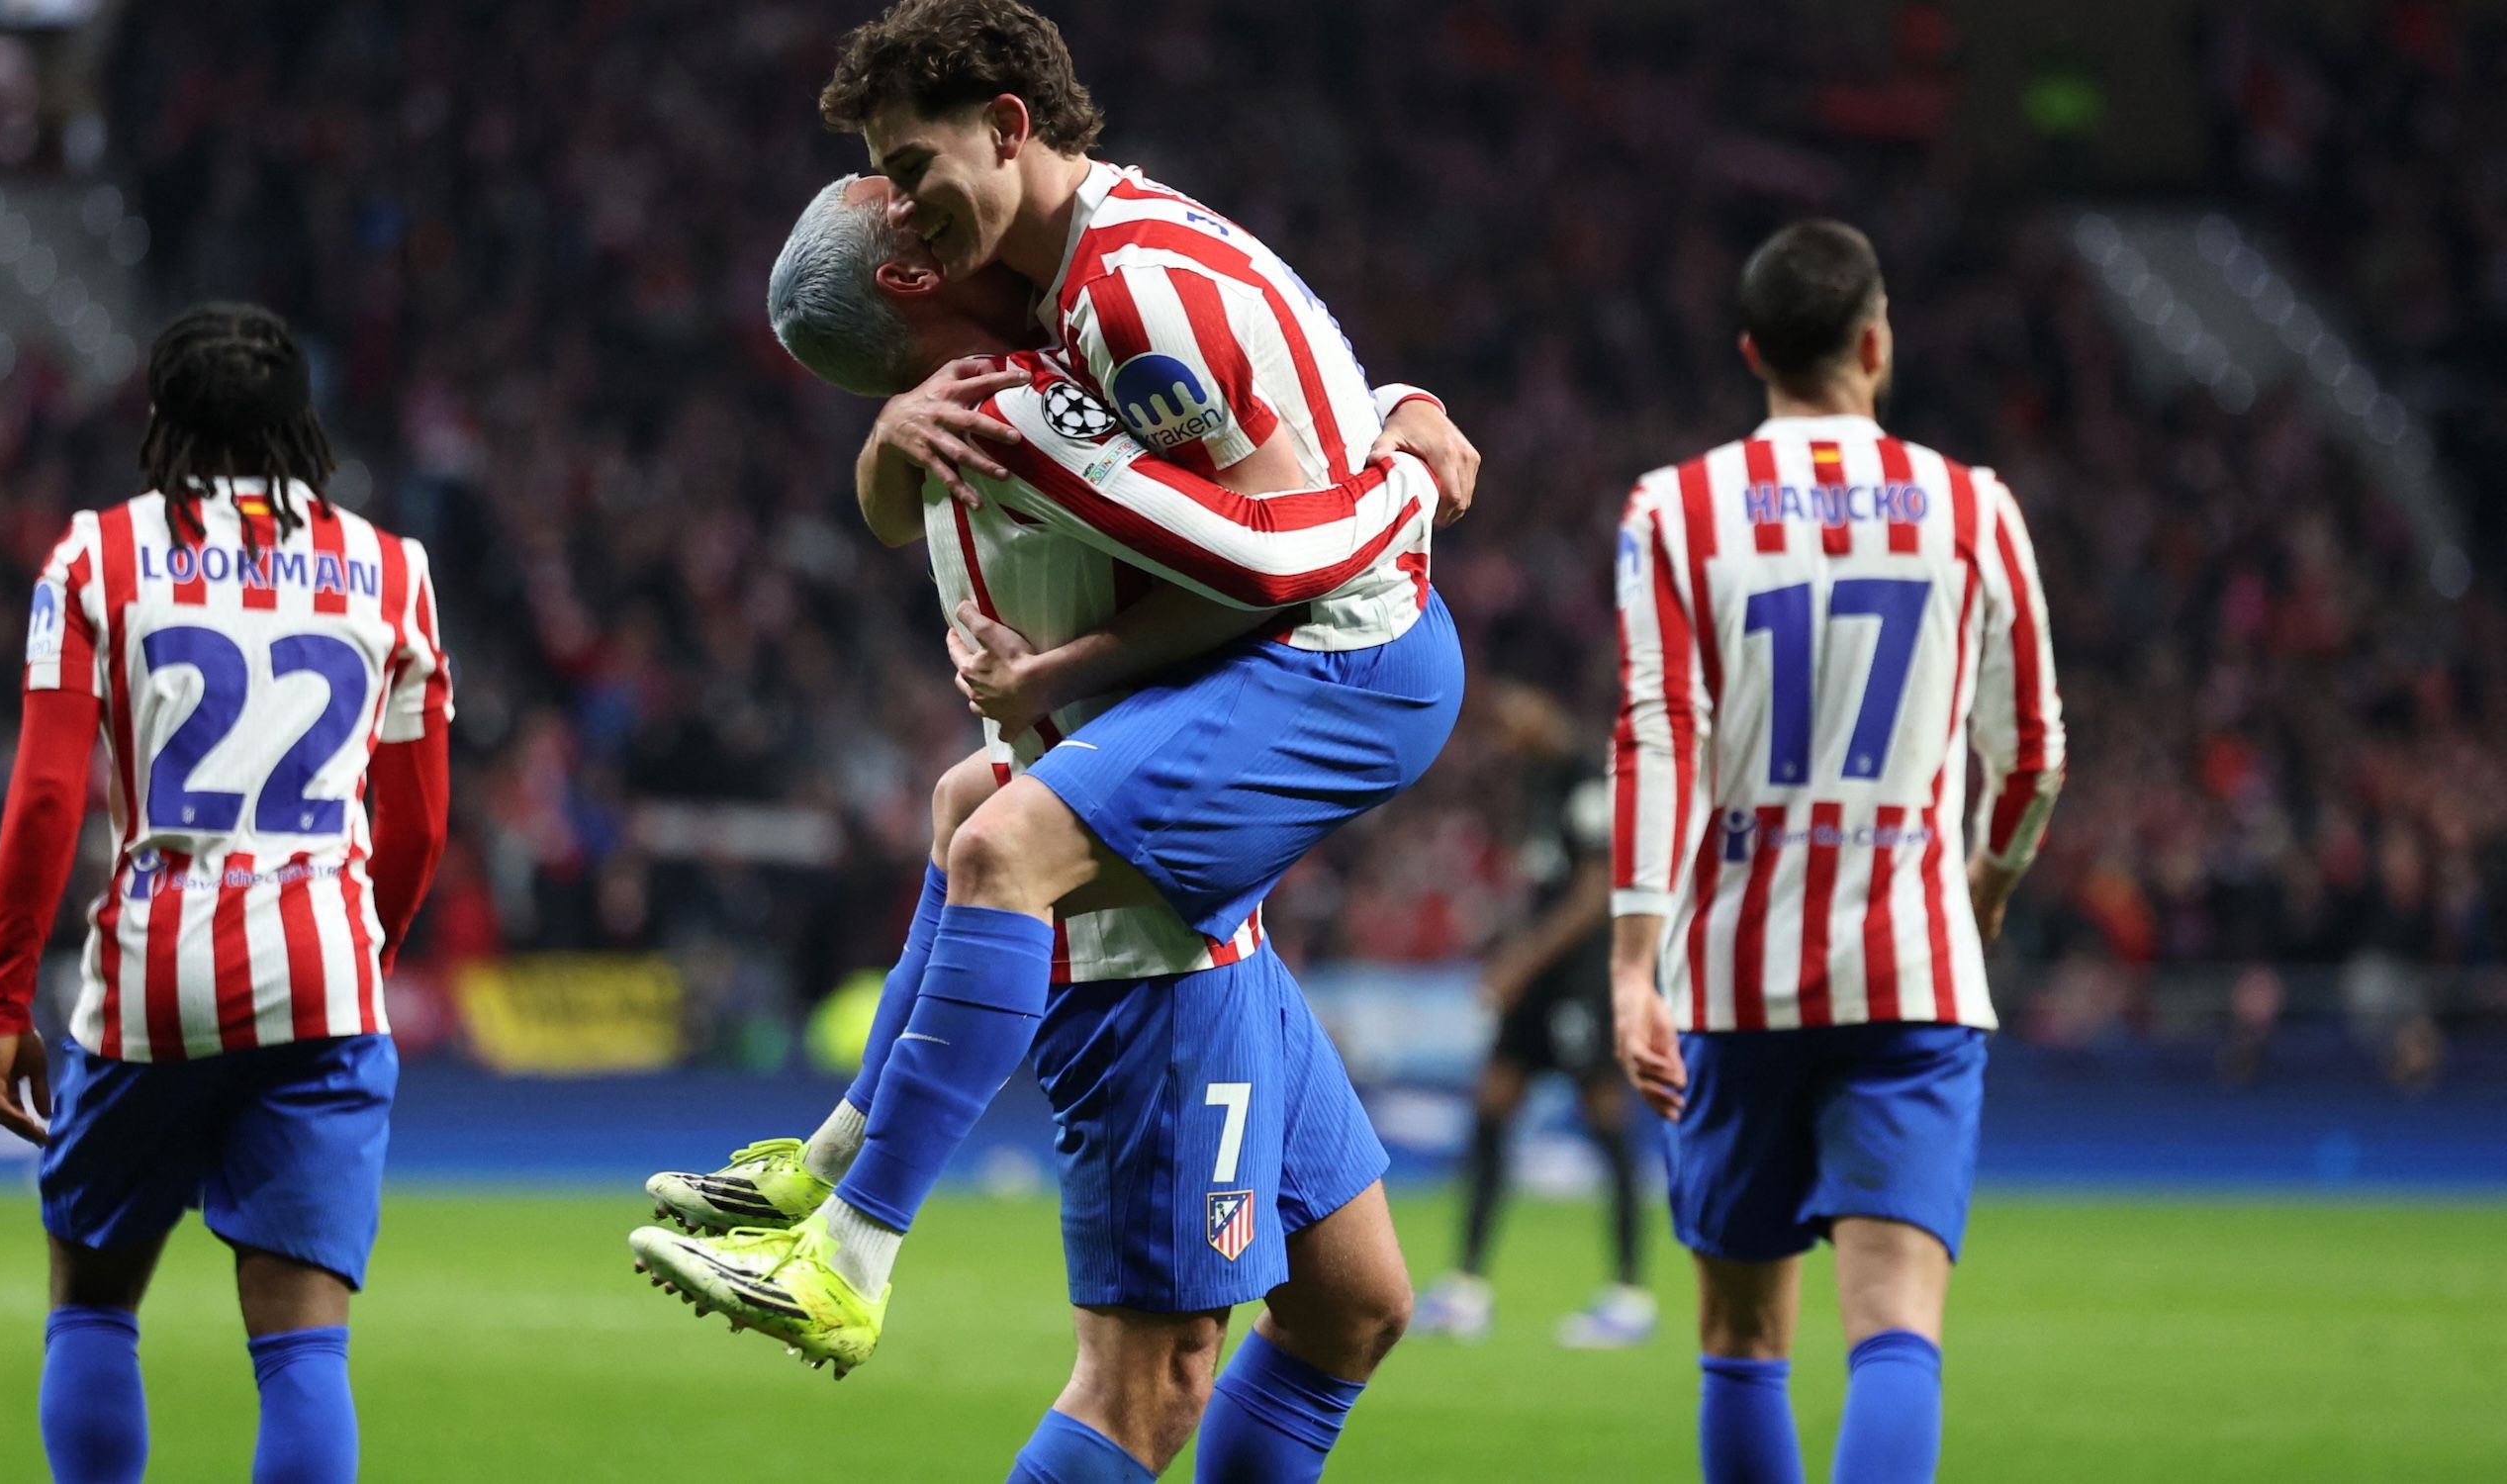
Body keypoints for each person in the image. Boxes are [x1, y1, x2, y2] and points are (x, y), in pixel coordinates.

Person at [638, 19, 1467, 1457]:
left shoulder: (1083, 315)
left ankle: (843, 1193)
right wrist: (1397, 455)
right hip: (1160, 926)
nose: (903, 201)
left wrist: (1395, 433)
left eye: (908, 167)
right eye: (888, 190)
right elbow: (1247, 546)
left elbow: (1267, 545)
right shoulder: (1019, 370)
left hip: (1329, 675)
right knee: (1205, 1361)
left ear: (1011, 125)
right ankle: (846, 1219)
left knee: (994, 814)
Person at [1609, 221, 2065, 1484]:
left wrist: (1631, 962)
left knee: (1743, 1339)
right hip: (1912, 972)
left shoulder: (1674, 508)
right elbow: (2033, 755)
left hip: (1732, 978)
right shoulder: (1976, 508)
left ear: (1754, 351)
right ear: (1877, 341)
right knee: (1894, 1332)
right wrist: (1981, 895)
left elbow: (1659, 738)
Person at [0, 302, 452, 1484]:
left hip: (155, 978)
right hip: (325, 973)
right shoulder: (397, 571)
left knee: (92, 1298)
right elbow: (423, 820)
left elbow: (44, 797)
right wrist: (363, 948)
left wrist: (0, 1000)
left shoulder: (96, 555)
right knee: (301, 1348)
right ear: (303, 421)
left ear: (161, 423)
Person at [1417, 685, 1654, 1349]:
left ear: (1533, 708)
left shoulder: (1584, 772)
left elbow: (1593, 891)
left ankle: (1630, 1295)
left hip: (1580, 976)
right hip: (1540, 981)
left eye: (1505, 722)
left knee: (1607, 1123)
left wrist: (1517, 962)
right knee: (1492, 1109)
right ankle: (1465, 1288)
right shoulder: (1538, 778)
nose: (1502, 739)